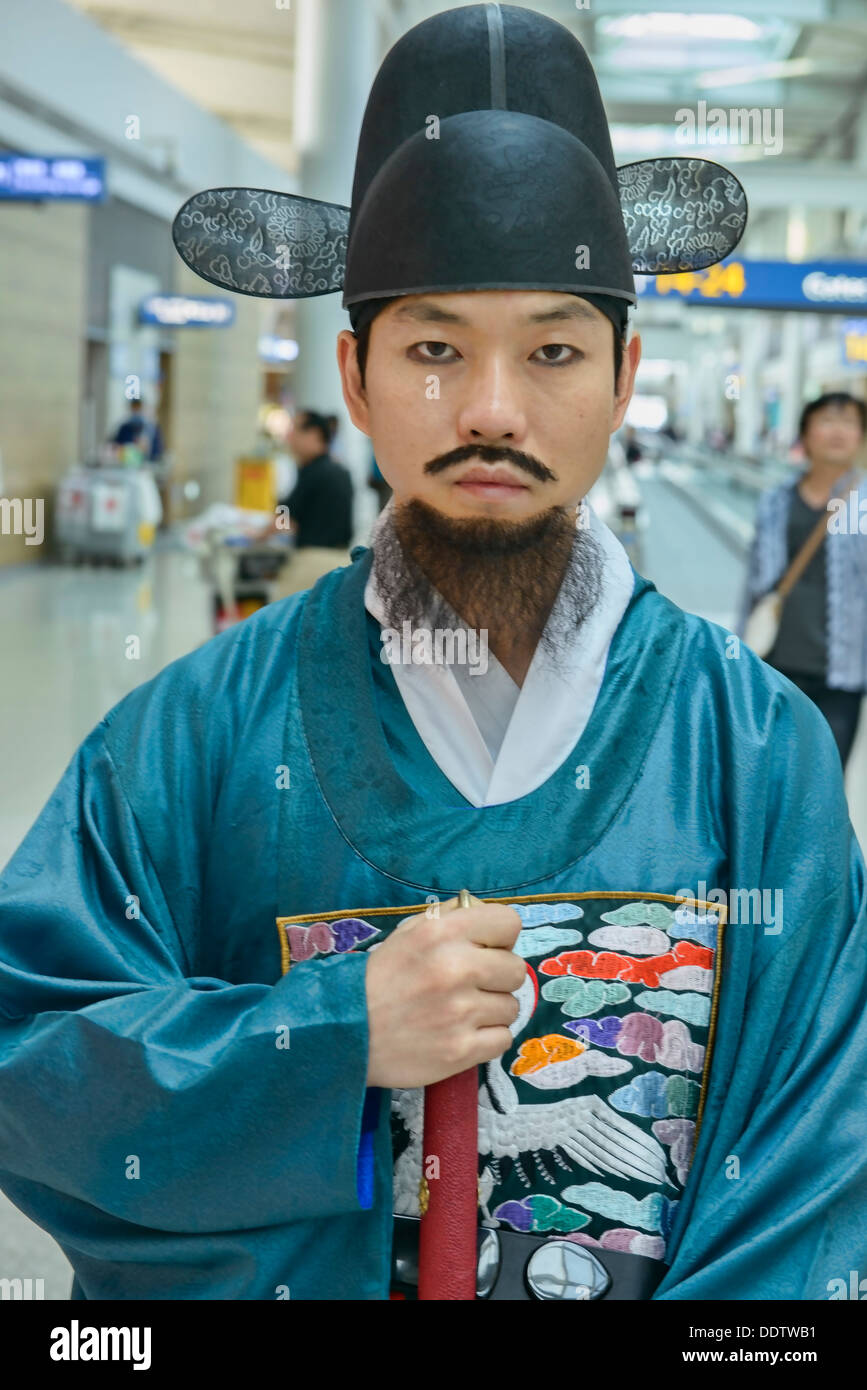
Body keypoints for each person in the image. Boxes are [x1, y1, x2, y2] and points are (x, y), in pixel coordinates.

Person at [1, 4, 864, 1304]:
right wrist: (325, 1036)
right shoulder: (191, 735)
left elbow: (816, 1171)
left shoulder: (753, 749)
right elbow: (34, 1063)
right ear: (353, 377)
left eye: (554, 348)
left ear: (625, 373)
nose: (492, 407)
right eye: (432, 348)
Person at [738, 391, 867, 768]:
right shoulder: (776, 500)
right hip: (776, 664)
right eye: (827, 421)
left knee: (825, 784)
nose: (838, 431)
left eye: (849, 423)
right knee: (770, 781)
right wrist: (740, 651)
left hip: (840, 673)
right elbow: (753, 586)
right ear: (805, 434)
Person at [266, 408, 354, 597]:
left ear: (313, 435)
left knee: (277, 616)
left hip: (312, 562)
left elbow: (284, 519)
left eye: (295, 430)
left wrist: (257, 535)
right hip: (343, 561)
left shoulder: (311, 472)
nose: (289, 438)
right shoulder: (341, 471)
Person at [113, 397, 164, 463]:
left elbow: (157, 451)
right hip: (126, 466)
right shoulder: (124, 428)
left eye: (138, 407)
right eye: (134, 408)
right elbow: (116, 447)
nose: (136, 410)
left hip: (147, 466)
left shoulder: (152, 428)